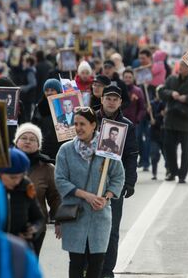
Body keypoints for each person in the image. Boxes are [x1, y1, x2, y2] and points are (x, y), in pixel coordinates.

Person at [55, 107, 125, 278]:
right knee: (76, 263)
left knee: (97, 263)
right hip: (75, 213)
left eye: (83, 124)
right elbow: (60, 180)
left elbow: (118, 177)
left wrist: (107, 196)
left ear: (93, 125)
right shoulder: (66, 150)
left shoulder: (108, 149)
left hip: (99, 215)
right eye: (76, 124)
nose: (78, 128)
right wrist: (86, 195)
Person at [96, 85, 138, 278]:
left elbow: (131, 155)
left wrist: (129, 182)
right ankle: (91, 267)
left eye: (115, 99)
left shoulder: (127, 125)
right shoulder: (90, 120)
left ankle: (107, 270)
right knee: (91, 228)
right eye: (108, 98)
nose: (111, 102)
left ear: (120, 102)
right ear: (102, 99)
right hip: (91, 182)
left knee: (112, 229)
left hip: (114, 184)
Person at [14, 122, 61, 257]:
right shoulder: (6, 163)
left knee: (29, 265)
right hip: (8, 224)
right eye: (24, 138)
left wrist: (59, 220)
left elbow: (55, 197)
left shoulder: (47, 168)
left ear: (38, 145)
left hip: (36, 226)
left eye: (32, 139)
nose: (28, 141)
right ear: (16, 141)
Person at [158, 61, 188, 182]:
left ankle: (182, 175)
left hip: (185, 119)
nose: (181, 69)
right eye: (181, 66)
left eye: (184, 67)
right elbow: (161, 92)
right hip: (170, 118)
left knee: (185, 151)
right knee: (168, 148)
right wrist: (171, 93)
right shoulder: (171, 79)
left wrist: (187, 98)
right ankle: (172, 171)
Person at [0, 147, 45, 252]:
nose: (17, 182)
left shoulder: (26, 186)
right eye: (13, 177)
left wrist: (34, 230)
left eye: (21, 176)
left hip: (20, 248)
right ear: (0, 173)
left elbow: (39, 218)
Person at [32, 78, 65, 160]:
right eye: (47, 90)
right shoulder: (39, 106)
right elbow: (34, 126)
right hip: (44, 147)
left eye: (52, 90)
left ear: (58, 91)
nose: (49, 93)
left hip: (61, 146)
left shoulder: (65, 106)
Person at [149, 86, 166, 180]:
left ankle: (168, 170)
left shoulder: (166, 104)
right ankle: (154, 172)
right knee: (154, 153)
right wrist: (148, 113)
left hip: (164, 133)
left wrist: (158, 117)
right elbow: (148, 117)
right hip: (154, 133)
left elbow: (165, 116)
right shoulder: (151, 104)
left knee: (166, 154)